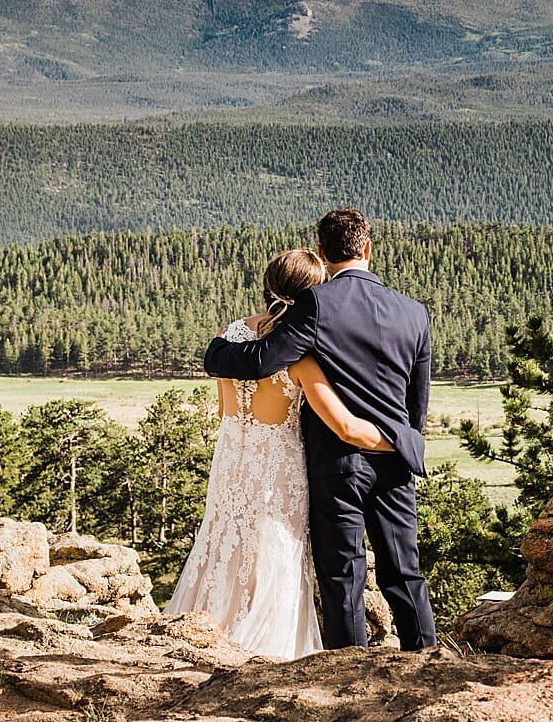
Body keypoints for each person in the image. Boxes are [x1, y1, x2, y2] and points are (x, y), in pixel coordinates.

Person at [202, 208, 437, 651]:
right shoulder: (415, 313)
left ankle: (348, 676)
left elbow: (262, 361)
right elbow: (416, 401)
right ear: (368, 249)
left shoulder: (317, 302)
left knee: (342, 575)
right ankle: (429, 665)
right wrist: (403, 443)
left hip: (337, 462)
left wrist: (215, 352)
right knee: (405, 571)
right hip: (396, 456)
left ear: (324, 253)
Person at [167, 248, 395, 659]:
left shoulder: (231, 334)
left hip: (232, 462)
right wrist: (396, 442)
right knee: (275, 556)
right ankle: (266, 649)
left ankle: (209, 634)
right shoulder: (301, 358)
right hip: (277, 470)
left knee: (224, 547)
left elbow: (224, 410)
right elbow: (343, 425)